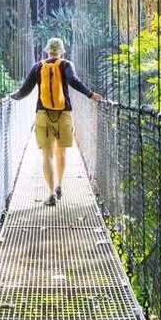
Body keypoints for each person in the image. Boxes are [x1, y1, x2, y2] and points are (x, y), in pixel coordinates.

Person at [11, 37, 102, 207]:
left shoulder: (38, 67)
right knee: (62, 153)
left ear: (47, 51)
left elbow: (25, 90)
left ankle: (51, 193)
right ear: (61, 51)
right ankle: (59, 185)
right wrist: (90, 94)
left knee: (47, 155)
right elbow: (73, 81)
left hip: (43, 114)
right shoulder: (66, 64)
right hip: (64, 113)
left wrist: (13, 98)